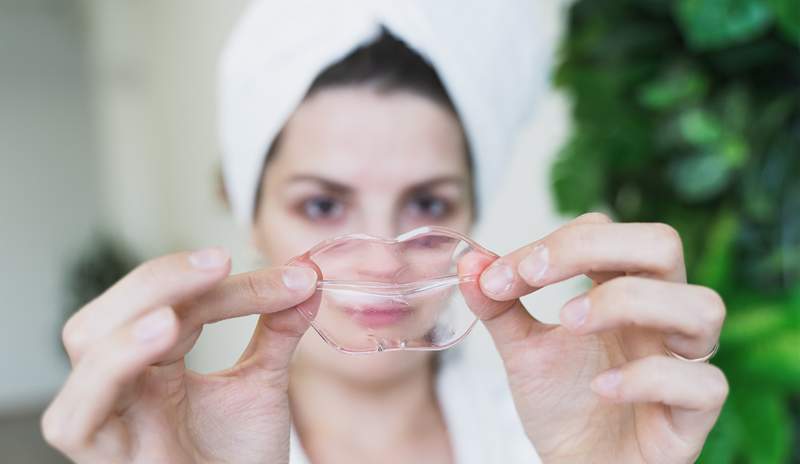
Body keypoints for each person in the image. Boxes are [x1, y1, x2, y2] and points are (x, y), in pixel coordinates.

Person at [41, 1, 728, 463]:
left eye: (427, 203)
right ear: (245, 207)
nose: (381, 259)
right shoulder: (182, 449)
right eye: (322, 206)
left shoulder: (565, 437)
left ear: (472, 210)